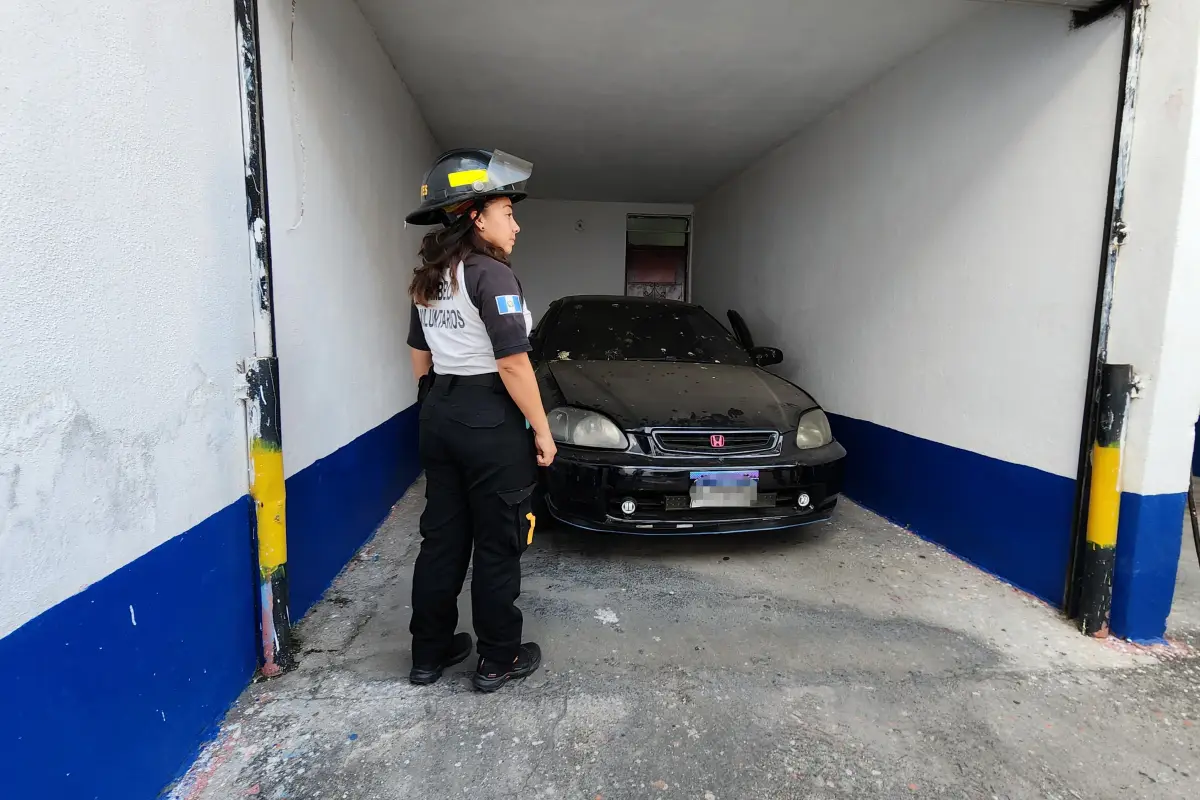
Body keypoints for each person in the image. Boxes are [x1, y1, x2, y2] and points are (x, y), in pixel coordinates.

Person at [403, 148, 557, 692]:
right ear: (475, 216)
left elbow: (420, 353)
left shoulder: (430, 276)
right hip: (491, 420)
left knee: (442, 539)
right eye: (506, 212)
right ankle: (498, 658)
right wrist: (541, 430)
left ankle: (430, 653)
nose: (515, 223)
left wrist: (437, 402)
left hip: (440, 414)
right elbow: (514, 362)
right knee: (498, 540)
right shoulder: (492, 274)